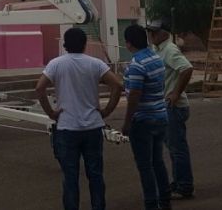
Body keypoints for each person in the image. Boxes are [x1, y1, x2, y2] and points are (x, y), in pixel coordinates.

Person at [35, 28, 123, 210]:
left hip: (67, 127)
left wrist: (51, 113)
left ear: (65, 44)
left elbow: (39, 88)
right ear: (84, 44)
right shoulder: (96, 64)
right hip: (92, 126)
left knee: (70, 177)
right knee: (96, 175)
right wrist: (107, 110)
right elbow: (117, 85)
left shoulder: (56, 64)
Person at [121, 24, 171, 210]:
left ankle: (151, 203)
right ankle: (165, 201)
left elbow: (134, 96)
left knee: (145, 166)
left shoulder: (136, 65)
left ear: (128, 43)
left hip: (143, 120)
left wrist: (127, 122)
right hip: (160, 115)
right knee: (157, 161)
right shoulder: (156, 58)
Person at [146, 20, 195, 200]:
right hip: (167, 106)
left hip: (174, 106)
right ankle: (179, 181)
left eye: (154, 32)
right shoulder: (158, 50)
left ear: (164, 33)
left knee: (177, 148)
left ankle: (184, 186)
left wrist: (175, 93)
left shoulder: (169, 50)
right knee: (174, 148)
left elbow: (186, 68)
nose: (151, 35)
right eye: (150, 31)